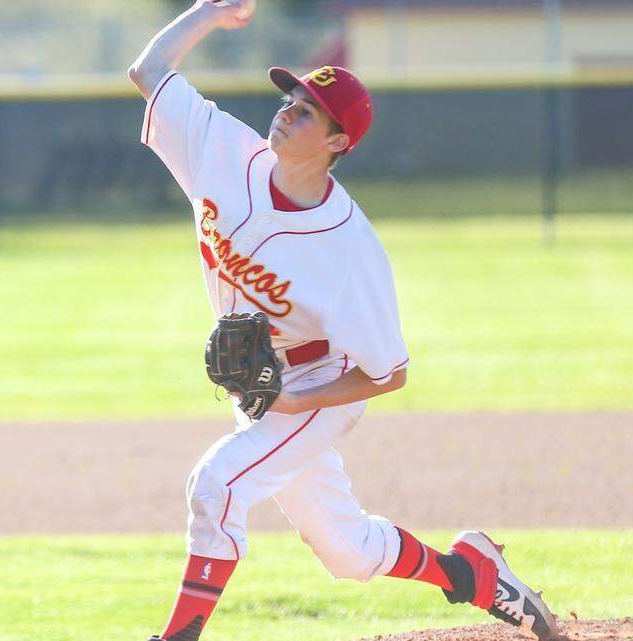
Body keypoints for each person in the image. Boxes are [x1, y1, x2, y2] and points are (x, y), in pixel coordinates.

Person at [127, 2, 559, 640]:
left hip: (320, 383)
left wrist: (302, 399)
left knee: (215, 486)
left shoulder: (349, 248)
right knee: (347, 551)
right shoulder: (222, 151)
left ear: (337, 143)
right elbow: (149, 68)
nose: (286, 110)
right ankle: (473, 575)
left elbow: (389, 373)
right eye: (289, 98)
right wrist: (209, 13)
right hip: (261, 385)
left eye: (306, 111)